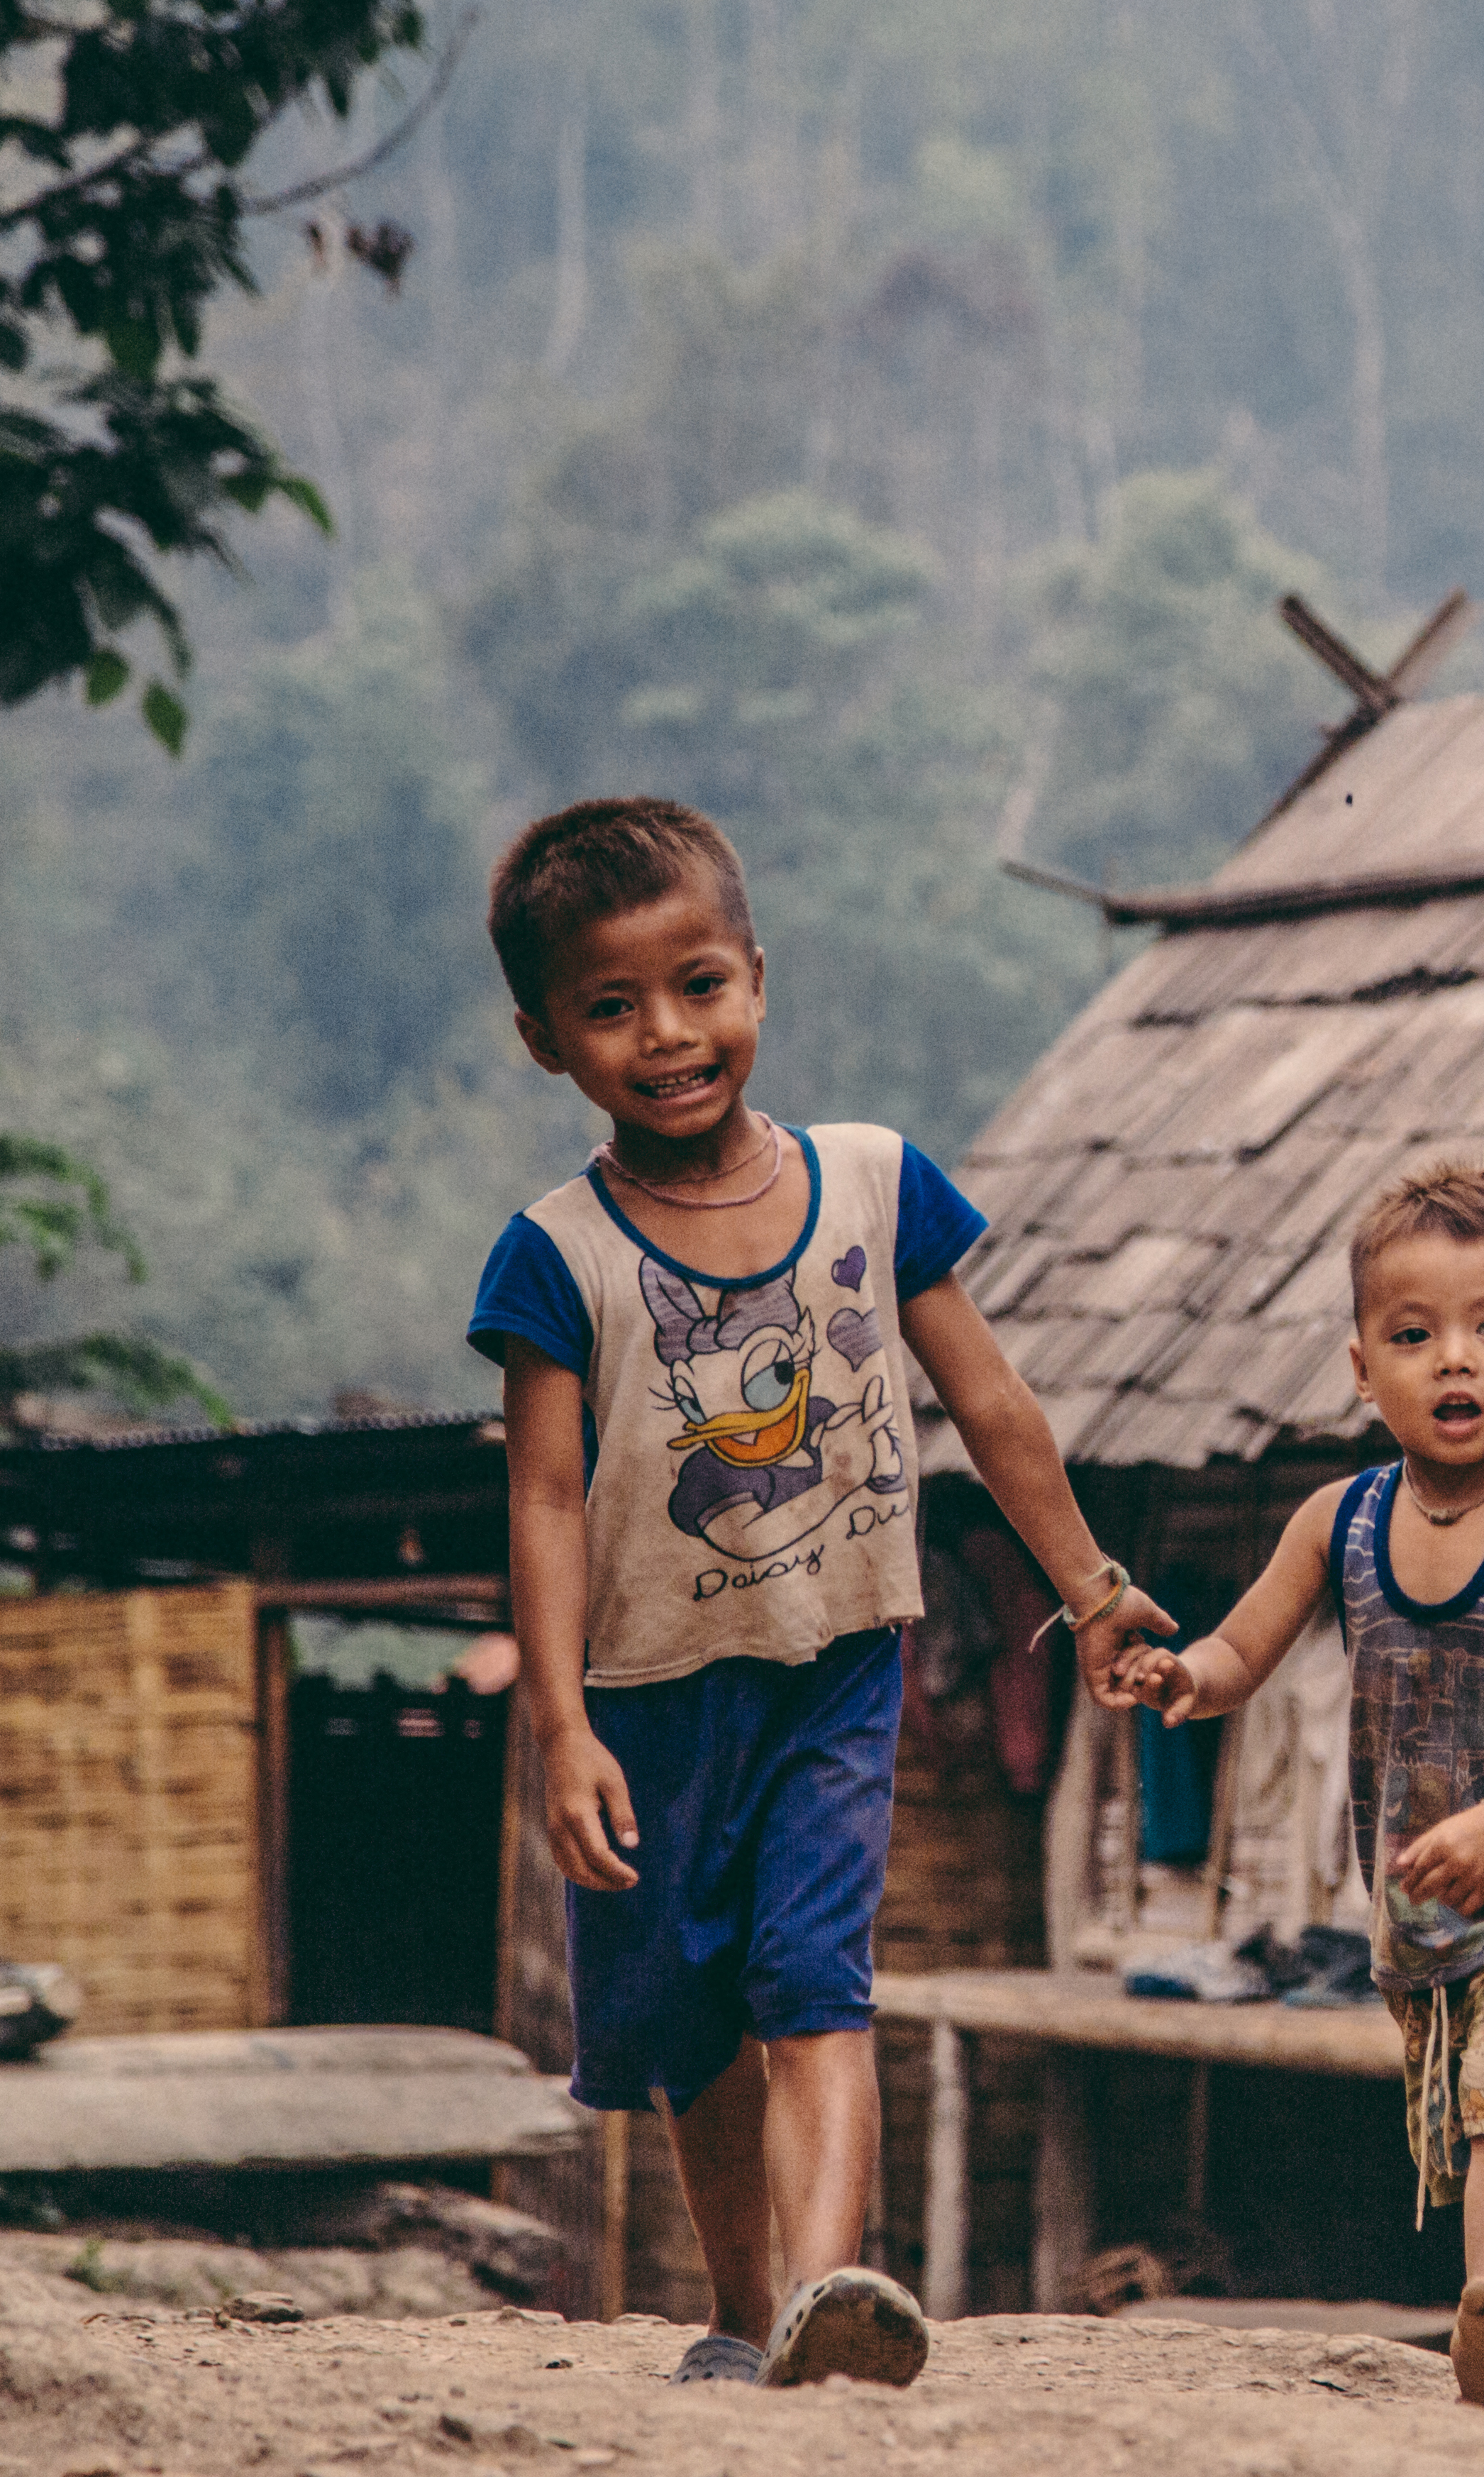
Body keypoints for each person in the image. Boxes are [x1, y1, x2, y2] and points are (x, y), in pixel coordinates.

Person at [469, 798, 1172, 2387]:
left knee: (812, 1981)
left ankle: (833, 2292)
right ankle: (747, 2308)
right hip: (650, 1697)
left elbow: (988, 1404)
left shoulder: (871, 1179)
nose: (668, 1032)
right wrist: (561, 1723)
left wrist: (1092, 1581)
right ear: (543, 1037)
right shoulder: (552, 1256)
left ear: (760, 979)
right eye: (610, 1005)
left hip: (837, 1658)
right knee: (693, 2027)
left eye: (700, 984)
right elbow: (544, 1495)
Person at [1103, 1164, 1484, 2411]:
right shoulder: (1336, 1520)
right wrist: (1180, 1677)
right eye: (1414, 1335)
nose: (1453, 1360)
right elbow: (1245, 1649)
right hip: (1416, 1885)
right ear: (1362, 1369)